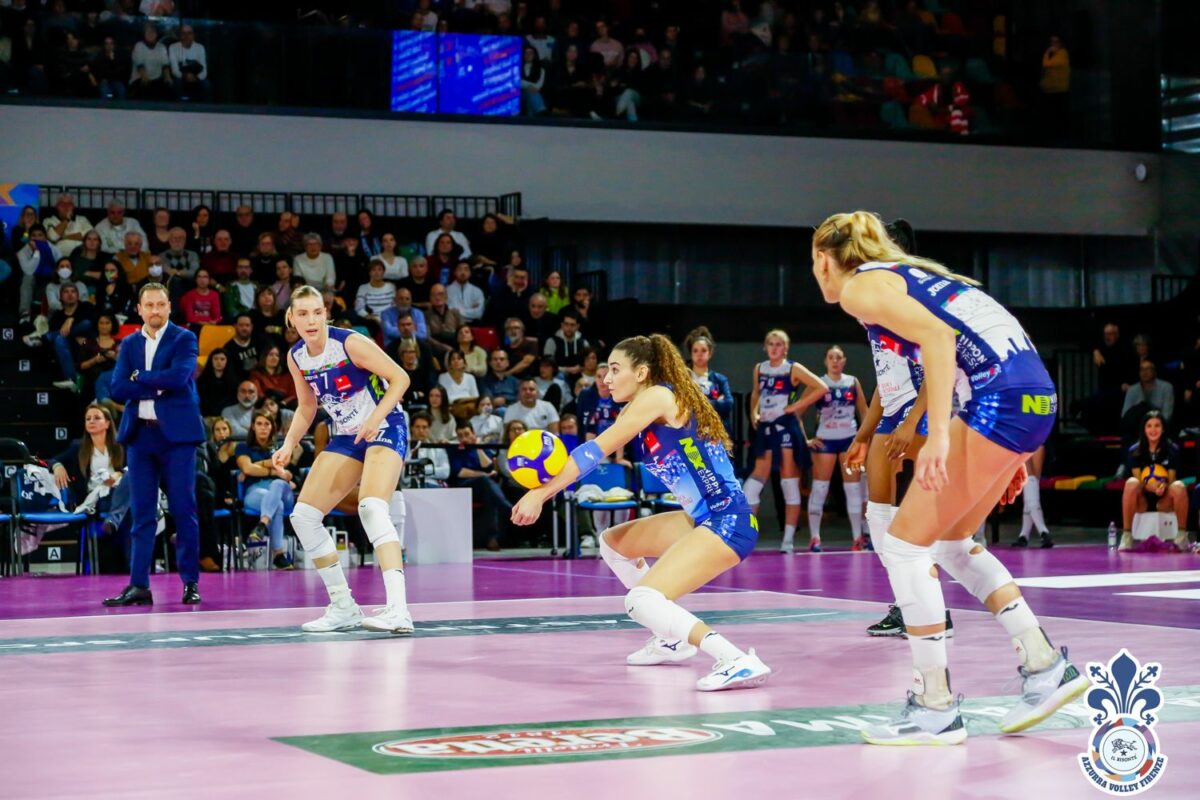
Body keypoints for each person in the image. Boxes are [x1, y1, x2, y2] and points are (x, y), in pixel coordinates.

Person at [811, 210, 1087, 744]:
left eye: (813, 263)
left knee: (906, 546)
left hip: (996, 403)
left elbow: (938, 340)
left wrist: (940, 435)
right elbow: (983, 344)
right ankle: (1044, 664)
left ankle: (934, 706)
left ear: (826, 260)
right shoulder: (924, 276)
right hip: (1031, 400)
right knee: (953, 543)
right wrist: (1003, 450)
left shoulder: (860, 287)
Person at [511, 334, 772, 691]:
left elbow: (595, 451)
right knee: (613, 543)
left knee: (641, 600)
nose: (606, 378)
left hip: (728, 520)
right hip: (703, 518)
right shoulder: (646, 404)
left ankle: (735, 658)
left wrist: (540, 494)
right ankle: (671, 639)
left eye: (615, 370)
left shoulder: (658, 396)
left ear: (642, 372)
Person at [275, 285, 413, 633]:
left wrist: (374, 417)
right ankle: (343, 607)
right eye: (302, 313)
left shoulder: (349, 343)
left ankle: (398, 610)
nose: (311, 320)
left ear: (326, 313)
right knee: (304, 517)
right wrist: (289, 442)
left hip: (384, 426)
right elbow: (307, 406)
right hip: (347, 436)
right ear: (291, 318)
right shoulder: (297, 357)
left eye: (317, 312)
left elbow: (400, 378)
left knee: (371, 506)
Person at [104, 283, 205, 607]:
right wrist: (153, 383)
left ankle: (190, 582)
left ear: (169, 306)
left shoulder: (184, 338)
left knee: (183, 509)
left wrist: (141, 378)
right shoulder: (130, 343)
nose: (155, 310)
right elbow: (117, 388)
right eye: (149, 305)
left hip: (177, 437)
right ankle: (138, 585)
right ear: (139, 308)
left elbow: (178, 379)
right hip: (141, 436)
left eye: (160, 304)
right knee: (143, 512)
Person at [741, 329, 826, 553]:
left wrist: (795, 407)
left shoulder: (792, 368)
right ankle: (746, 537)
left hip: (785, 427)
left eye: (779, 344)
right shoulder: (760, 368)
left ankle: (788, 541)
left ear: (785, 348)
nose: (774, 348)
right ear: (765, 346)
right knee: (751, 486)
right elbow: (756, 394)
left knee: (789, 482)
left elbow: (821, 387)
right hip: (766, 428)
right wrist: (753, 414)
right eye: (771, 344)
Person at [806, 345, 869, 549]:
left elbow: (864, 412)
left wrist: (865, 440)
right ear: (825, 361)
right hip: (825, 440)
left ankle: (857, 538)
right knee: (820, 488)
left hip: (848, 439)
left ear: (844, 361)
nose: (835, 361)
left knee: (853, 490)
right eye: (831, 357)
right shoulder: (818, 383)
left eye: (839, 357)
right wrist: (805, 439)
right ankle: (815, 537)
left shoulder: (852, 382)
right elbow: (796, 409)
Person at [1119, 410, 1190, 552]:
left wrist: (1163, 486)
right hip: (1142, 501)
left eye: (1157, 425)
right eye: (1149, 426)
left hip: (1163, 500)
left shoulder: (1172, 449)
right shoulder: (1135, 450)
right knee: (1131, 483)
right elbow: (1138, 482)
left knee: (1179, 486)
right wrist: (1149, 487)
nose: (1153, 430)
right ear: (1144, 429)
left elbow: (1172, 481)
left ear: (1163, 429)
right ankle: (1127, 536)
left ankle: (1181, 536)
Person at [236, 411, 298, 569]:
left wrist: (257, 466)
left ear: (273, 427)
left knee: (277, 485)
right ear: (253, 427)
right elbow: (247, 468)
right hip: (255, 491)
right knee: (277, 505)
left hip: (282, 490)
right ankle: (278, 555)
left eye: (267, 424)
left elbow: (254, 469)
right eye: (259, 424)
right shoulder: (243, 447)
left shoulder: (281, 447)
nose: (263, 428)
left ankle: (262, 525)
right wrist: (272, 468)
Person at [449, 420, 512, 550]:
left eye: (467, 434)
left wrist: (477, 447)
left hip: (483, 487)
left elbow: (488, 466)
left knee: (490, 496)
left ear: (473, 433)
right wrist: (482, 475)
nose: (464, 438)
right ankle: (507, 507)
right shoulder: (456, 450)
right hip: (463, 487)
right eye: (460, 435)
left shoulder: (480, 448)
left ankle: (492, 539)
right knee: (486, 483)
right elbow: (460, 472)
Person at [683, 326, 734, 438]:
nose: (699, 354)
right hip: (690, 432)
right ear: (691, 354)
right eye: (695, 351)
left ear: (710, 353)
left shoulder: (720, 379)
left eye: (703, 350)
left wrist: (698, 404)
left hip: (715, 433)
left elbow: (728, 403)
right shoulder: (684, 380)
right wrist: (715, 402)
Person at [1012, 445, 1053, 548]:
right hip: (1033, 436)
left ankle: (1039, 532)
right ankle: (1028, 534)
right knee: (1031, 485)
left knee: (1030, 482)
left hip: (1029, 436)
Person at [197, 348, 239, 417]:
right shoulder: (202, 380)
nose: (219, 362)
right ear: (211, 360)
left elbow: (234, 401)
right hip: (207, 416)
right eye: (215, 359)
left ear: (227, 361)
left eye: (222, 359)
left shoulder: (234, 381)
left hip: (228, 416)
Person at [438, 350, 480, 419]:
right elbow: (444, 399)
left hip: (468, 407)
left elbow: (476, 397)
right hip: (452, 408)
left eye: (459, 359)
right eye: (453, 359)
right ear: (449, 363)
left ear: (464, 362)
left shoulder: (470, 377)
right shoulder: (442, 377)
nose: (456, 361)